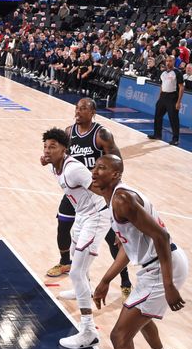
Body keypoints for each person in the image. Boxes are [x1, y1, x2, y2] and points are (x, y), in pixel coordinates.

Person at [91, 155, 187, 349]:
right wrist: (105, 280)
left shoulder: (122, 200)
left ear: (117, 174)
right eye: (95, 166)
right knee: (138, 315)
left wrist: (169, 285)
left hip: (162, 266)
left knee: (120, 337)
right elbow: (128, 246)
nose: (95, 171)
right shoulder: (114, 200)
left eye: (102, 168)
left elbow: (160, 236)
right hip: (152, 267)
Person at [45, 98, 131, 299]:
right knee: (64, 226)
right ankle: (66, 262)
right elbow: (60, 155)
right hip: (76, 190)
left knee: (112, 238)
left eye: (83, 108)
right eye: (76, 108)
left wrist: (114, 189)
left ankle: (125, 279)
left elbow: (117, 162)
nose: (78, 111)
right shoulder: (69, 132)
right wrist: (47, 158)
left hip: (96, 190)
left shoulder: (101, 134)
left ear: (93, 112)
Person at [41, 127, 108, 349]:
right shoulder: (56, 165)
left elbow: (103, 190)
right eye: (45, 146)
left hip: (96, 217)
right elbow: (48, 159)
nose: (47, 150)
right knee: (73, 255)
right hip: (82, 215)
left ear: (65, 150)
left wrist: (118, 219)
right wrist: (46, 159)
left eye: (53, 147)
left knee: (77, 270)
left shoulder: (74, 170)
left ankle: (88, 331)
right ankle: (83, 289)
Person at [147, 56, 184, 146]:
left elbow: (181, 87)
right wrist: (160, 97)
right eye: (167, 61)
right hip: (163, 96)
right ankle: (157, 134)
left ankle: (175, 139)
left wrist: (178, 102)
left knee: (173, 119)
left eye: (170, 61)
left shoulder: (177, 72)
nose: (168, 63)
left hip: (172, 97)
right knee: (158, 116)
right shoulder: (163, 73)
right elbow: (162, 86)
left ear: (174, 61)